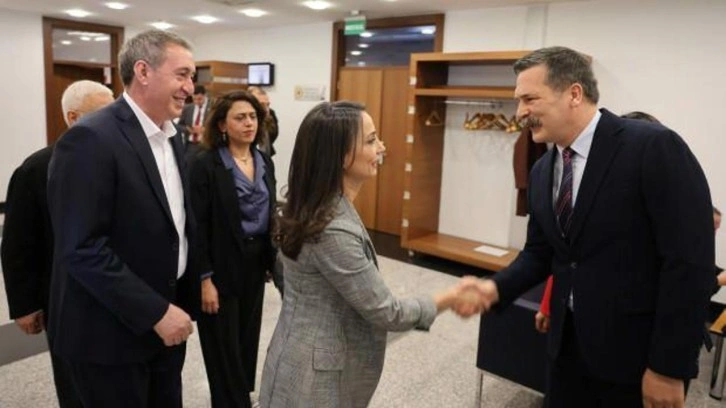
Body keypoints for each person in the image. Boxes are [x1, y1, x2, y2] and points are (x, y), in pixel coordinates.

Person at [455, 46, 714, 407]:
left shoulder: (652, 148)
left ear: (574, 94)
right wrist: (494, 289)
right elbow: (540, 254)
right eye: (518, 101)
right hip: (566, 351)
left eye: (529, 99)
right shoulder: (542, 171)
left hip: (636, 360)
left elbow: (688, 263)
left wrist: (668, 367)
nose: (520, 113)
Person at [259, 101, 478, 407]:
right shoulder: (332, 230)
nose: (382, 148)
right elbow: (388, 312)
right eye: (372, 140)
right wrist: (449, 297)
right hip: (314, 379)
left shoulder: (316, 206)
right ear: (341, 155)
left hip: (297, 355)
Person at [46, 30, 200, 407]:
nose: (190, 87)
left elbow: (175, 225)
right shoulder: (91, 139)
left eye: (192, 77)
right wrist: (156, 312)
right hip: (108, 336)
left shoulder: (173, 137)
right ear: (143, 72)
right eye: (181, 75)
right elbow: (81, 248)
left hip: (165, 323)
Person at [1, 79, 113, 408]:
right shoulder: (36, 168)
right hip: (62, 298)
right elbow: (19, 243)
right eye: (103, 114)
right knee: (74, 382)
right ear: (73, 117)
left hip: (113, 291)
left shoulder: (120, 160)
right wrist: (25, 305)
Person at [534, 110, 662, 334]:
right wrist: (547, 304)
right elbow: (566, 255)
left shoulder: (656, 189)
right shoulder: (574, 181)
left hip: (633, 320)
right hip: (578, 311)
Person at [190, 91, 278, 407]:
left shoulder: (263, 160)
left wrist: (272, 259)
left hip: (255, 263)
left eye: (253, 117)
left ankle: (240, 396)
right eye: (240, 118)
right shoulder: (205, 164)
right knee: (222, 345)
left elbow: (270, 214)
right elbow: (196, 226)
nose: (249, 123)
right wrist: (204, 278)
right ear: (222, 125)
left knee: (246, 338)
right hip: (219, 264)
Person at [179, 84, 210, 161]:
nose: (196, 102)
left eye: (199, 99)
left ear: (205, 95)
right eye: (194, 99)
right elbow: (179, 126)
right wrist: (189, 129)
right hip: (191, 144)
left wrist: (205, 130)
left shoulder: (212, 107)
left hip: (206, 144)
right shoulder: (188, 108)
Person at [248, 86, 278, 157]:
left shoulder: (271, 116)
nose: (266, 110)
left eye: (267, 105)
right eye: (261, 105)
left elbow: (273, 135)